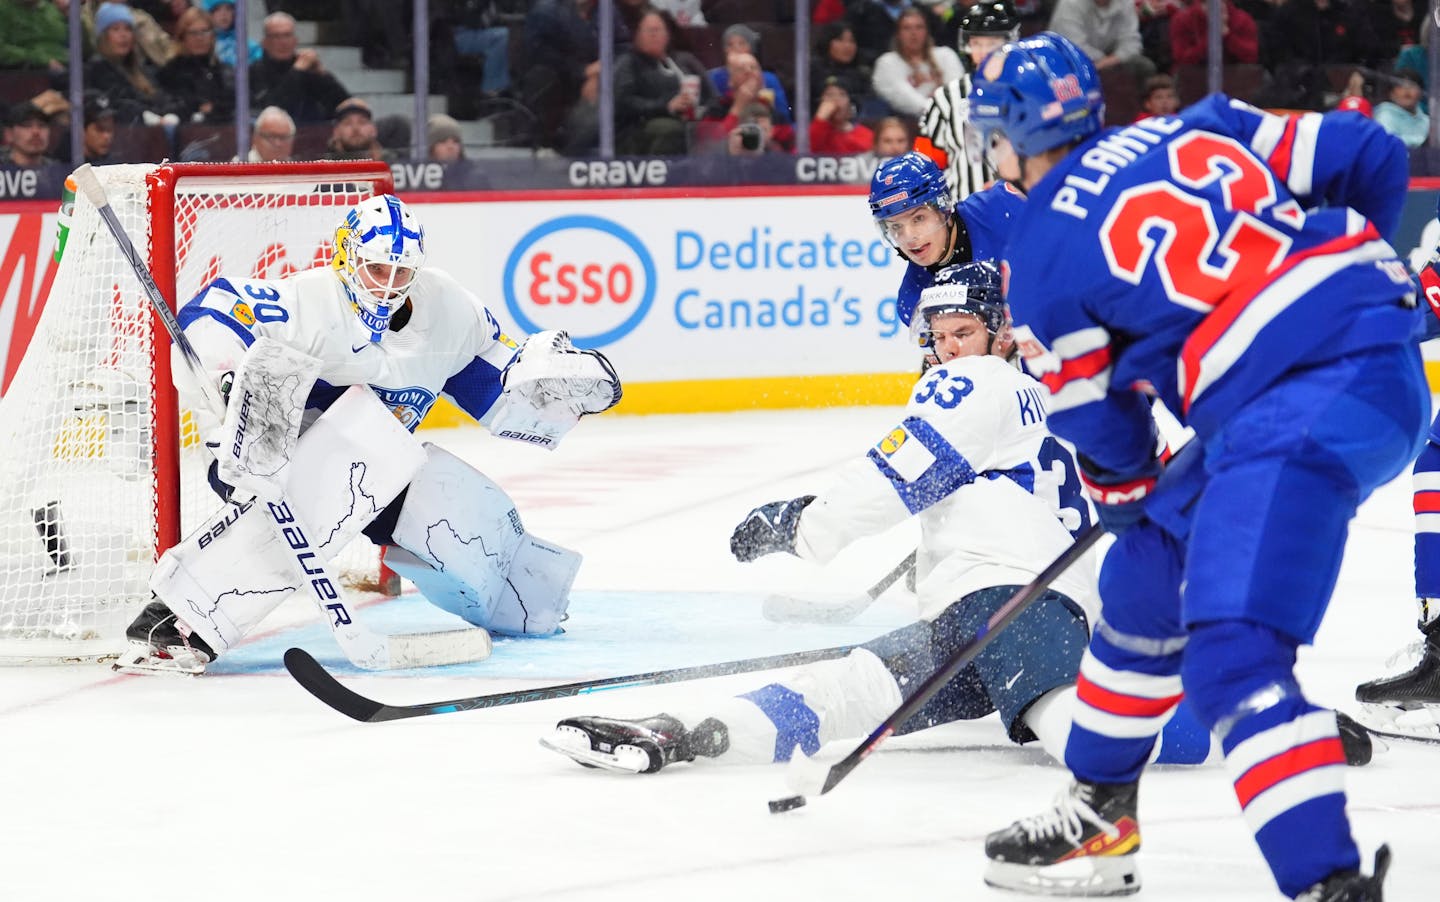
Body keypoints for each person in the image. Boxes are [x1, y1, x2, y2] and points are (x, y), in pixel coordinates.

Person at [967, 31, 1422, 899]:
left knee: (1232, 657)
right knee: (1150, 572)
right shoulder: (1194, 124)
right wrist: (1363, 276)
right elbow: (1365, 149)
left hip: (1302, 408)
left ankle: (1326, 883)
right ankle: (1099, 811)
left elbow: (1096, 423)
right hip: (1355, 370)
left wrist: (1127, 492)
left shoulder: (1043, 258)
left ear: (1014, 140)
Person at [543, 261, 1171, 774]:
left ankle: (1196, 719)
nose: (950, 349)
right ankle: (681, 736)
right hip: (988, 612)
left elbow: (903, 472)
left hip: (1014, 603)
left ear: (1000, 335)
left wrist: (804, 525)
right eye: (939, 335)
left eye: (965, 333)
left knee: (1092, 746)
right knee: (847, 690)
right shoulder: (1056, 398)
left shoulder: (978, 383)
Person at [114, 195, 623, 675]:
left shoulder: (449, 311)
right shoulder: (311, 302)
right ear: (346, 257)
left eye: (401, 272)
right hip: (261, 453)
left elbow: (494, 392)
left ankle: (522, 598)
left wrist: (546, 394)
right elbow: (216, 307)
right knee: (340, 479)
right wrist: (228, 372)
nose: (388, 284)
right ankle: (181, 618)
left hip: (375, 462)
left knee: (446, 503)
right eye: (377, 268)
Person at [869, 150, 1023, 328]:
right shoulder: (915, 302)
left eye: (918, 218)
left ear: (943, 208)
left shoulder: (1005, 205)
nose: (909, 236)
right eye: (896, 226)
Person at [916, 0, 1021, 201]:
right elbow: (926, 164)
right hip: (964, 210)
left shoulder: (1030, 92)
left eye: (992, 44)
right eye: (976, 43)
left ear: (1010, 44)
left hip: (1021, 209)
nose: (983, 52)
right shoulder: (945, 99)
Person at [250, 11, 351, 124]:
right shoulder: (253, 72)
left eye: (287, 35)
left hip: (312, 134)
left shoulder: (307, 69)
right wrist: (297, 71)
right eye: (276, 37)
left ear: (295, 41)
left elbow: (345, 106)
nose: (283, 42)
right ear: (265, 42)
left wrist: (323, 74)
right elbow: (272, 109)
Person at [872, 7, 962, 118]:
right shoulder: (887, 63)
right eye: (906, 28)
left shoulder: (946, 55)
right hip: (907, 124)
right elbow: (903, 97)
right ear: (898, 34)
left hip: (950, 118)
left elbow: (957, 90)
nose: (913, 33)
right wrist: (935, 110)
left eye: (919, 27)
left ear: (926, 32)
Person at [157, 5, 235, 125]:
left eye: (204, 32)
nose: (200, 38)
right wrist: (198, 106)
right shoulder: (169, 72)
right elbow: (168, 107)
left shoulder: (225, 72)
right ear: (182, 38)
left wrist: (213, 109)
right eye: (193, 33)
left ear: (213, 36)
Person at [809, 79, 874, 155]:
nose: (835, 100)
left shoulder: (866, 136)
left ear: (851, 105)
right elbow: (801, 155)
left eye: (842, 94)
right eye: (829, 95)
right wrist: (820, 119)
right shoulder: (811, 132)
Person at [1373, 68, 1429, 149]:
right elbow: (1388, 144)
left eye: (1412, 85)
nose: (1406, 90)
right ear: (1391, 94)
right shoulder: (1384, 116)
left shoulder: (1428, 121)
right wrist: (1422, 142)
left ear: (1420, 93)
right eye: (1400, 86)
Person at [325, 97, 387, 161]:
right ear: (336, 132)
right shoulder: (323, 167)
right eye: (347, 123)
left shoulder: (392, 164)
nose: (355, 128)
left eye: (362, 122)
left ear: (374, 130)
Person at [1, 100, 55, 168]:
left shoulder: (59, 172)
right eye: (27, 125)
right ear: (9, 134)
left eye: (42, 125)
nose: (36, 132)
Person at [82, 93, 118, 164]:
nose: (107, 136)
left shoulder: (114, 168)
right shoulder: (63, 165)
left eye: (110, 129)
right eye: (100, 129)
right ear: (82, 130)